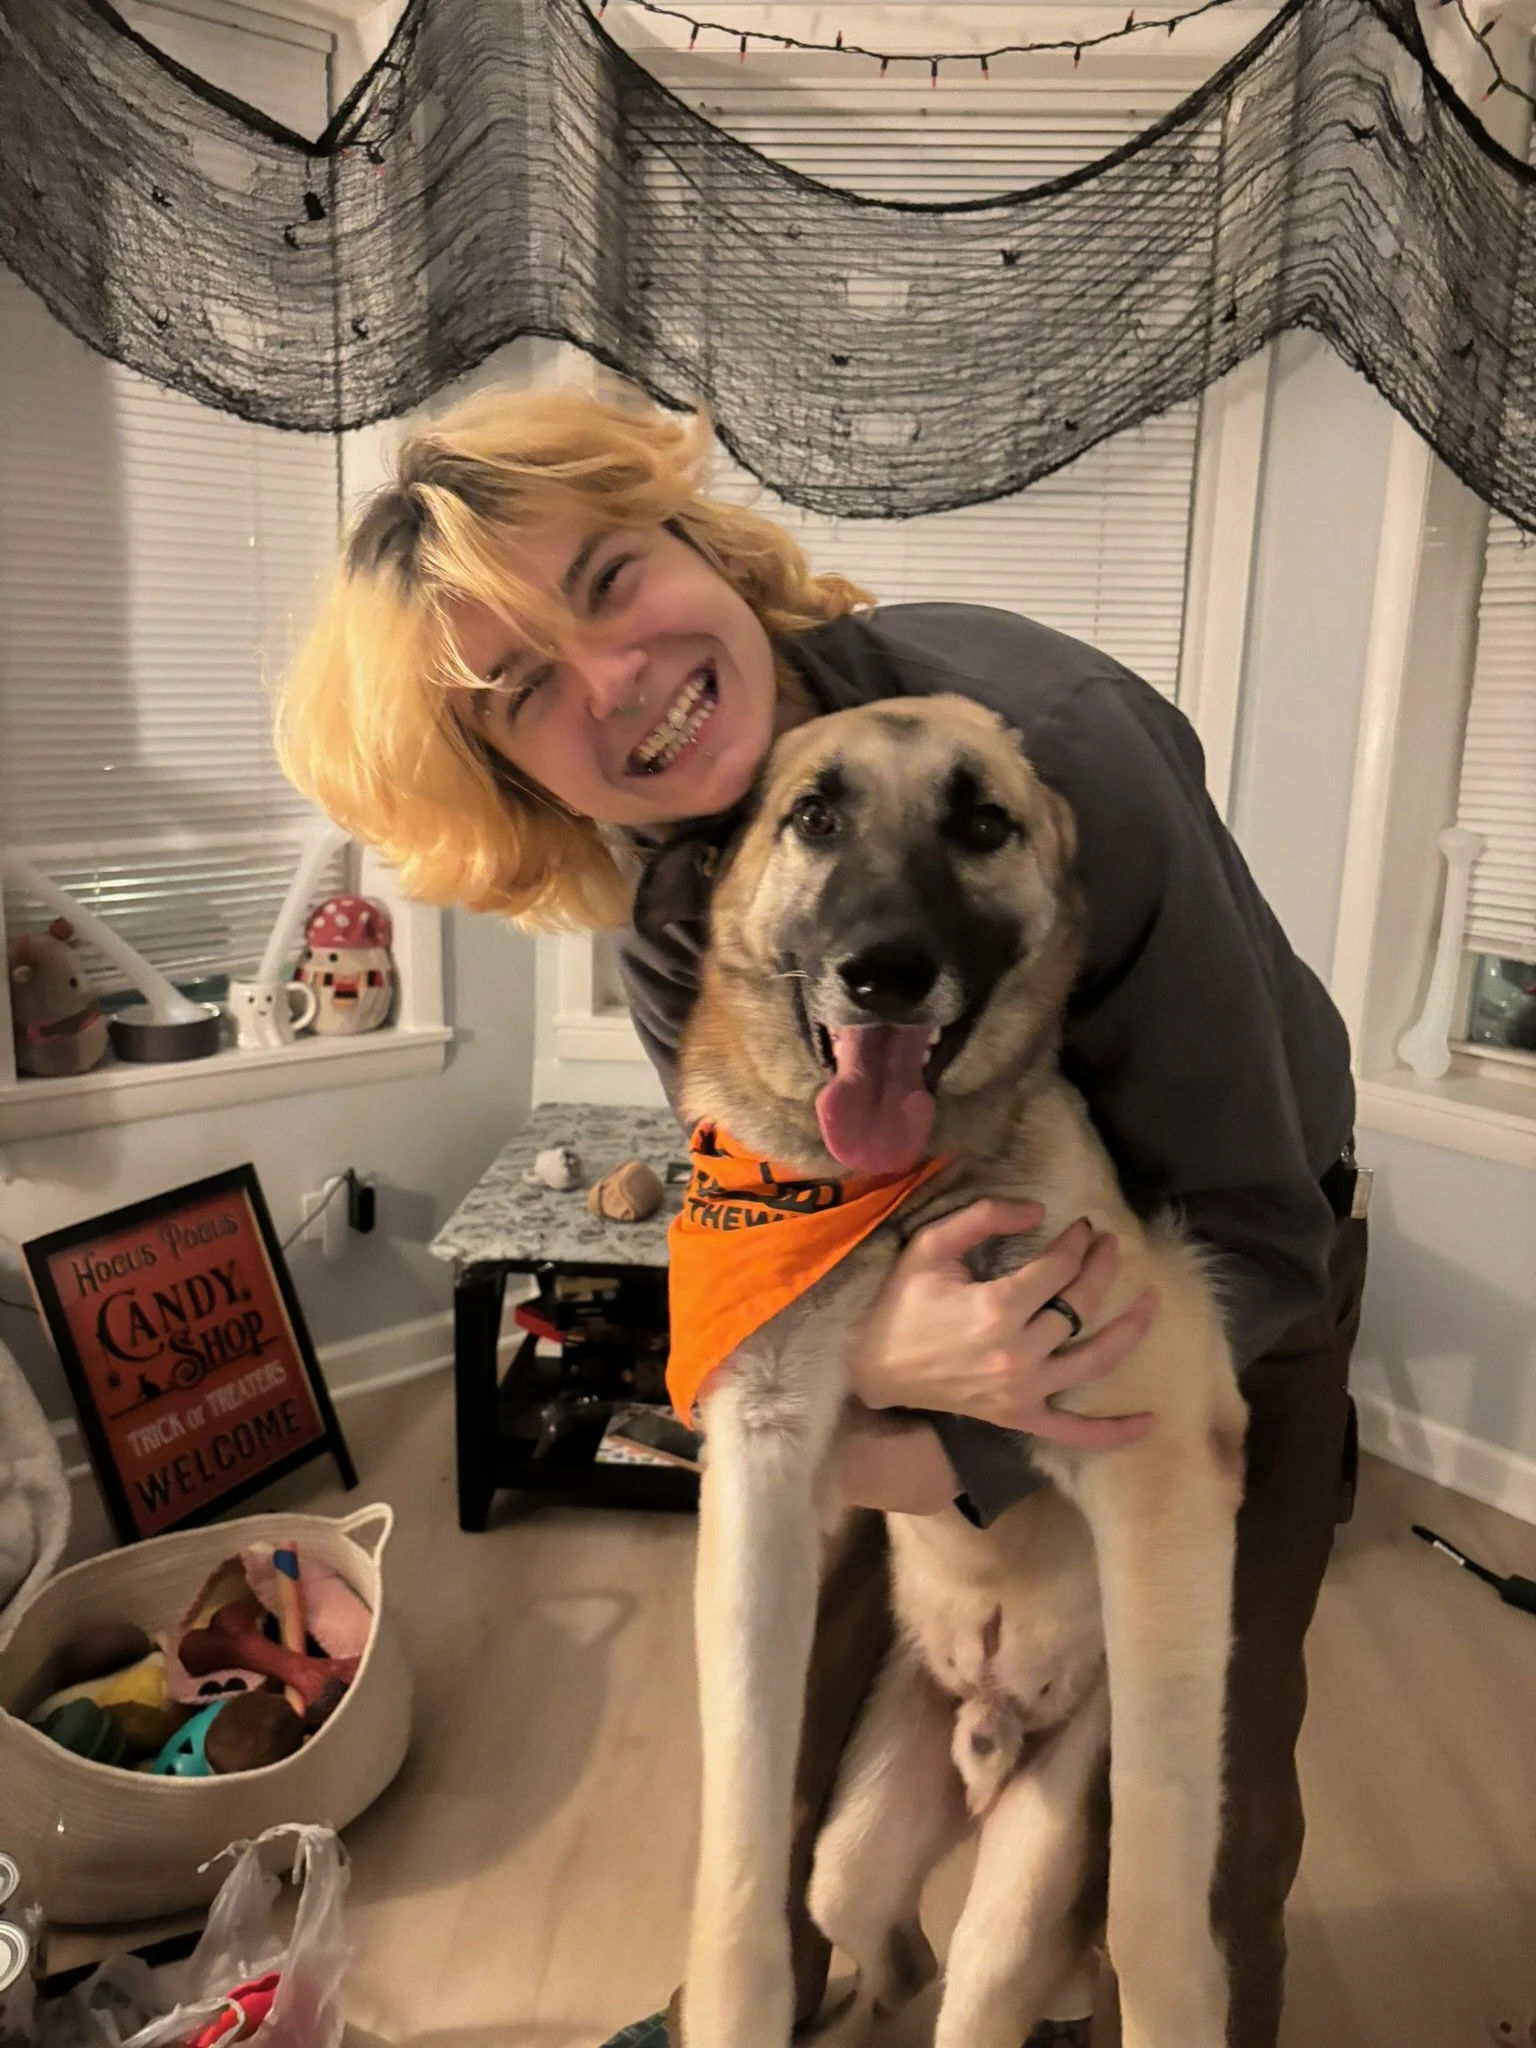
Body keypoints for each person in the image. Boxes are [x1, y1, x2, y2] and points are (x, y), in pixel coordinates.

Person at [278, 381, 1366, 2048]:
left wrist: (953, 1436)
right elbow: (775, 1253)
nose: (617, 680)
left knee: (1190, 1813)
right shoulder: (672, 917)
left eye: (609, 580)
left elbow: (1260, 1228)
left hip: (1234, 1266)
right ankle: (788, 1990)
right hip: (945, 1299)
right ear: (500, 769)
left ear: (696, 539)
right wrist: (888, 1394)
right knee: (795, 1752)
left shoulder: (1052, 749)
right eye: (521, 694)